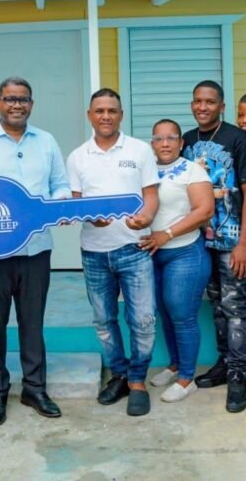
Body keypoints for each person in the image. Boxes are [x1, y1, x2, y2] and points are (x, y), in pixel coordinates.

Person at [0, 76, 70, 426]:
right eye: (10, 99)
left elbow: (61, 185)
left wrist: (57, 205)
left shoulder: (46, 141)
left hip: (37, 250)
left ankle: (35, 388)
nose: (16, 105)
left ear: (31, 104)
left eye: (23, 99)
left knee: (33, 322)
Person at [67, 89, 160, 416]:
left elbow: (151, 195)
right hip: (94, 253)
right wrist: (90, 216)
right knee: (104, 320)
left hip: (135, 248)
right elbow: (76, 202)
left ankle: (137, 380)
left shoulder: (139, 150)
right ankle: (119, 375)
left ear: (121, 114)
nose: (105, 116)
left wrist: (147, 217)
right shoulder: (77, 157)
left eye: (112, 110)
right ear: (89, 115)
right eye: (99, 110)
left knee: (143, 319)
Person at [182, 80, 246, 413]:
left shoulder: (238, 139)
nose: (203, 107)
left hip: (232, 240)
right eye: (197, 101)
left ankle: (238, 373)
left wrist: (244, 243)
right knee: (216, 303)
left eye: (210, 102)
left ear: (222, 106)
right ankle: (226, 361)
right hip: (200, 241)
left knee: (236, 307)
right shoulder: (186, 141)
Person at [142, 119, 213, 403]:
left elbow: (204, 210)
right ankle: (174, 365)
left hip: (184, 252)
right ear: (152, 144)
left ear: (181, 143)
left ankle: (186, 378)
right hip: (151, 253)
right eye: (159, 138)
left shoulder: (192, 170)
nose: (165, 143)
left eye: (171, 138)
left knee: (182, 314)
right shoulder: (145, 170)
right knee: (165, 312)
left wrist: (167, 234)